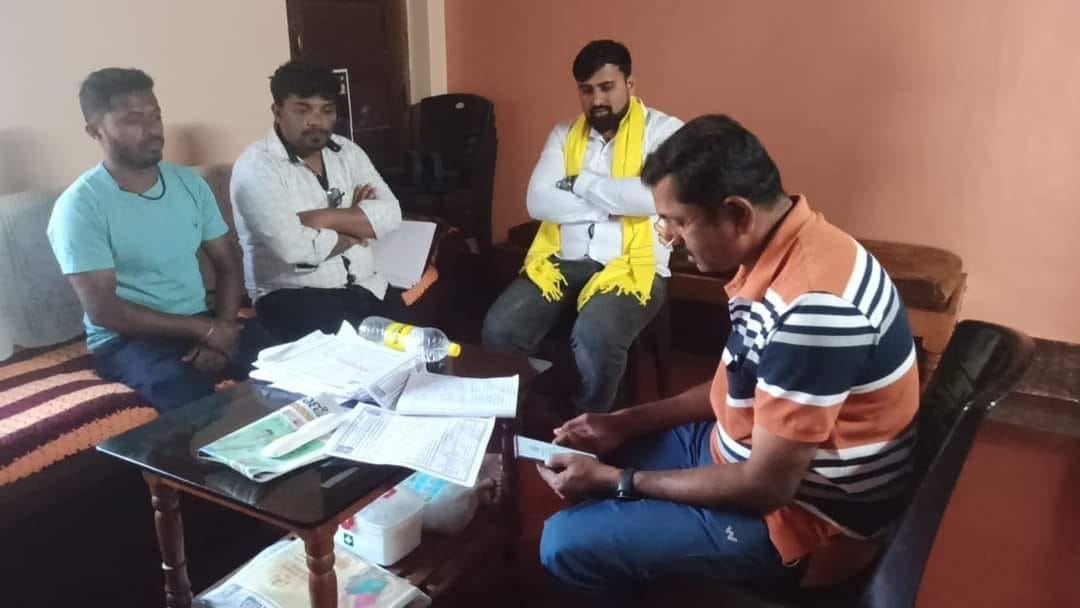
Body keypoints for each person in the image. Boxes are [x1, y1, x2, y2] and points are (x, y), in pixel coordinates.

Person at [535, 115, 920, 593]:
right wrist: (622, 422)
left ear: (738, 214)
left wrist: (620, 481)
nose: (668, 236)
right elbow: (734, 385)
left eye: (679, 221)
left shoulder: (814, 309)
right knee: (583, 459)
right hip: (741, 451)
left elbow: (766, 487)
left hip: (803, 521)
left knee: (565, 542)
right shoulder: (781, 251)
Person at [47, 68, 278, 412]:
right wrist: (204, 330)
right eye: (133, 120)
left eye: (155, 116)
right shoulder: (80, 206)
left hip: (200, 319)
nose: (152, 129)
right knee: (188, 397)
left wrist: (222, 329)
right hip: (128, 339)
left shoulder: (189, 184)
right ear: (95, 130)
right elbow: (103, 309)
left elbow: (227, 262)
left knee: (286, 361)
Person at [481, 40, 683, 415]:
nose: (596, 100)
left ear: (629, 84)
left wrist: (581, 183)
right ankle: (530, 415)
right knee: (500, 329)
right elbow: (538, 202)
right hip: (561, 261)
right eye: (586, 90)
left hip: (633, 267)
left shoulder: (664, 131)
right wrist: (614, 206)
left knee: (596, 336)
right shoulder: (564, 133)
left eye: (606, 87)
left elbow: (656, 196)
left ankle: (589, 426)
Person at [230, 61, 407, 342]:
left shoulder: (347, 152)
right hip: (295, 298)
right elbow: (295, 249)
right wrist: (356, 226)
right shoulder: (257, 166)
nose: (317, 121)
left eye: (326, 110)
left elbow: (391, 213)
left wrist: (320, 218)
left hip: (369, 287)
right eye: (302, 110)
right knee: (357, 360)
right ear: (278, 111)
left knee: (420, 351)